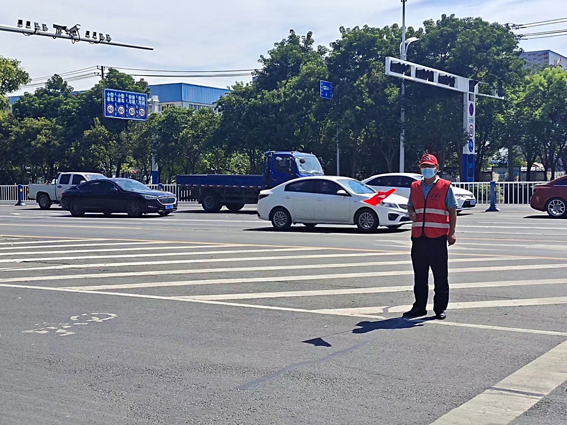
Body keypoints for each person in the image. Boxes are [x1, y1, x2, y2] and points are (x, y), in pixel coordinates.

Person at [403, 154, 457, 320]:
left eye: (430, 166)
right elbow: (410, 206)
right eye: (424, 166)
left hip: (438, 237)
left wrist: (452, 232)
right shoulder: (415, 186)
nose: (427, 169)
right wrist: (411, 213)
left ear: (437, 168)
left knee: (440, 276)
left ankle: (440, 308)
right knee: (420, 276)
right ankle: (419, 307)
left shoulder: (445, 186)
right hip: (419, 237)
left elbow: (452, 210)